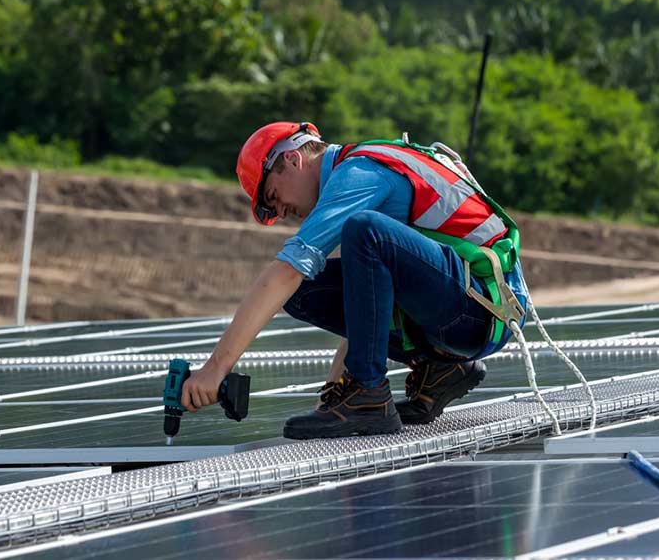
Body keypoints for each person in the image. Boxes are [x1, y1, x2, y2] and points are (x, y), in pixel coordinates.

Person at [180, 121, 528, 439]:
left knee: (360, 234)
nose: (281, 211)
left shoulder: (359, 171)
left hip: (481, 308)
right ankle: (439, 369)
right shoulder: (363, 166)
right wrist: (334, 391)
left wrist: (215, 368)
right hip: (467, 306)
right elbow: (366, 291)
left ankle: (369, 395)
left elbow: (287, 269)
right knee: (310, 288)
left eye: (273, 197)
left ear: (292, 159)